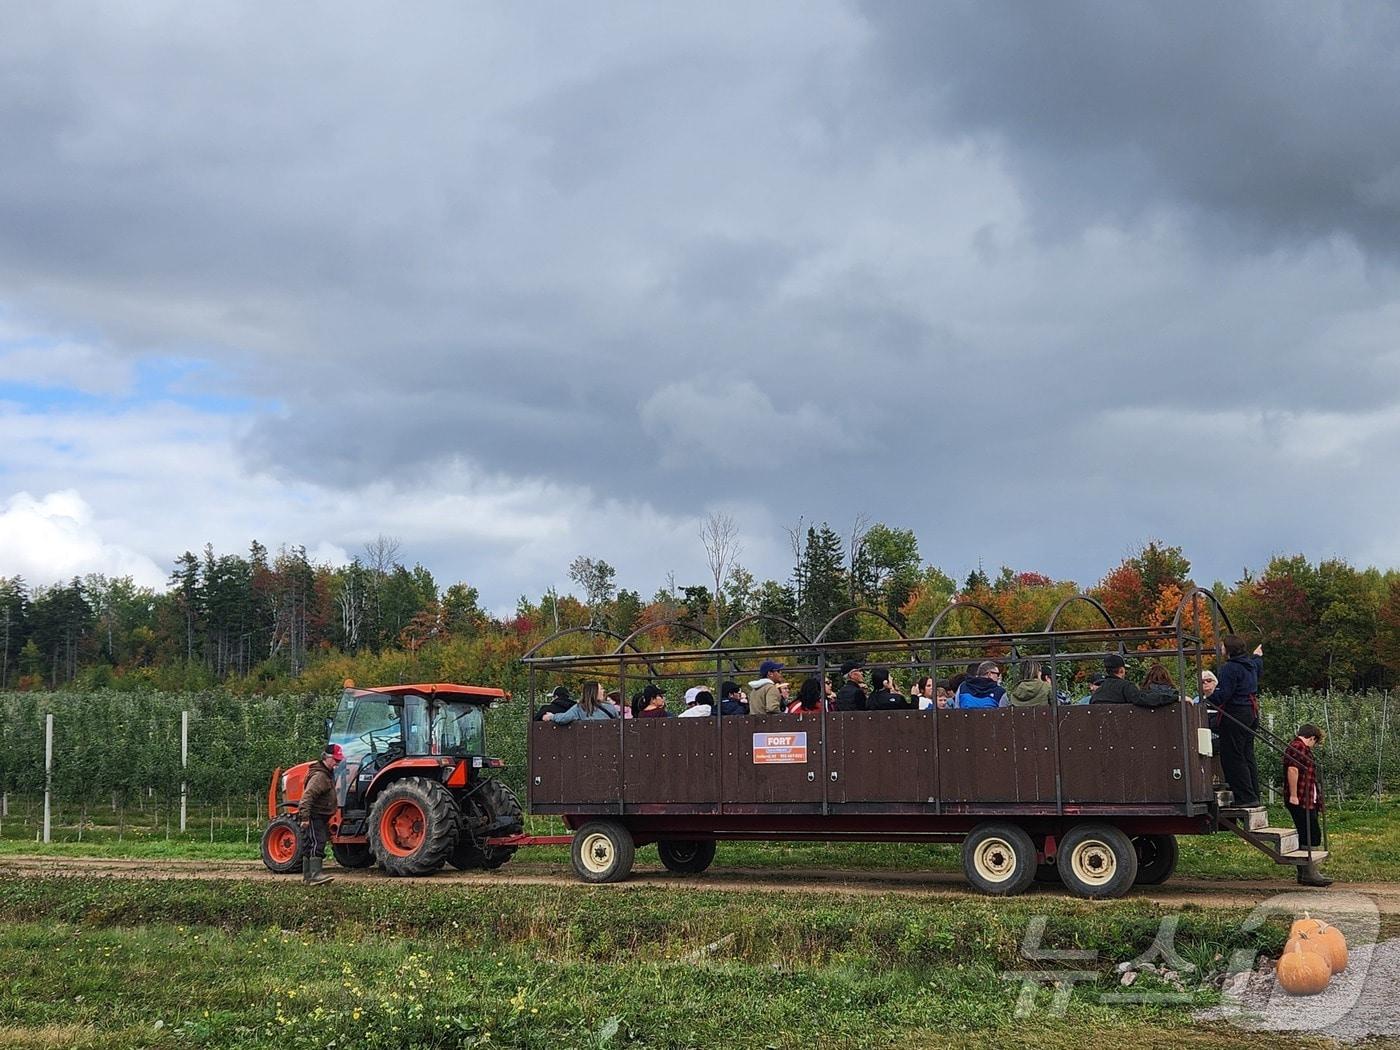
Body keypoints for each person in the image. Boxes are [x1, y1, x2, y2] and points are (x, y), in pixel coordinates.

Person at [1213, 635, 1264, 807]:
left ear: (1228, 649)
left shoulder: (1230, 668)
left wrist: (1206, 698)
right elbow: (1258, 663)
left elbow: (1224, 694)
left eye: (1222, 646)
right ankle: (1253, 794)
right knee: (1247, 754)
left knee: (1233, 756)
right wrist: (1258, 655)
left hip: (1236, 713)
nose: (1220, 649)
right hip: (1251, 712)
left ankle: (1245, 796)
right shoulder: (1250, 665)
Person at [1284, 723, 1332, 887]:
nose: (1314, 746)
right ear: (1312, 738)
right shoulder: (1299, 747)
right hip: (1301, 798)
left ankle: (1306, 872)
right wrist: (1294, 795)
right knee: (1309, 833)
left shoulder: (1298, 747)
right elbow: (1293, 770)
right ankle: (1309, 873)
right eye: (1315, 742)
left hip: (1307, 798)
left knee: (1309, 832)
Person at [298, 743, 343, 886]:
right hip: (314, 815)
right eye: (335, 760)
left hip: (320, 816)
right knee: (317, 842)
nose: (337, 763)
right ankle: (315, 875)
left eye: (339, 761)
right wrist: (305, 818)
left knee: (310, 843)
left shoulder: (326, 774)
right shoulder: (319, 776)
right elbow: (306, 798)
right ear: (326, 758)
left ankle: (308, 877)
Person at [545, 681, 621, 724]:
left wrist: (552, 716)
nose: (603, 691)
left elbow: (563, 718)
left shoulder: (580, 708)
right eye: (601, 689)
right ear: (594, 692)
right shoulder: (610, 707)